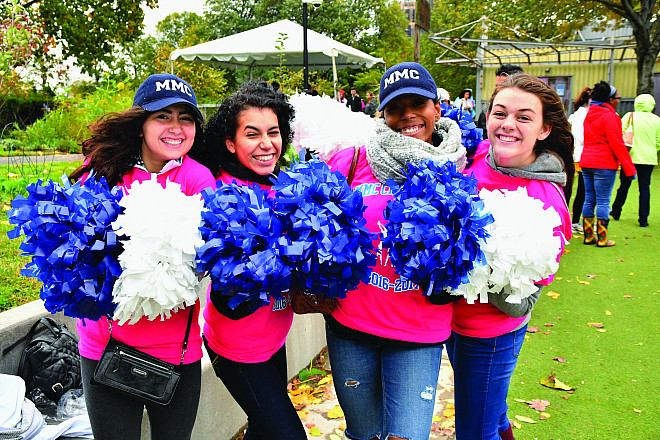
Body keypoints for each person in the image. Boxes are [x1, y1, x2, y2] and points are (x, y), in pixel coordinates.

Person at [69, 73, 216, 440]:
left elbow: (205, 260)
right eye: (162, 116)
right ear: (141, 124)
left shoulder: (199, 179)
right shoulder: (103, 171)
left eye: (186, 118)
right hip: (105, 346)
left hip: (176, 349)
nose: (176, 127)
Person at [325, 62, 466, 440]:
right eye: (394, 107)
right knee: (364, 434)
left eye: (416, 103)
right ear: (382, 114)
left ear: (436, 107)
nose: (406, 115)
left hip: (418, 332)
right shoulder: (353, 160)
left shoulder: (460, 167)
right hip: (351, 327)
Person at [449, 73, 573, 440]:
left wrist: (471, 267)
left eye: (523, 117)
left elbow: (522, 302)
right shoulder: (481, 157)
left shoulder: (546, 203)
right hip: (453, 324)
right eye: (499, 113)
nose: (507, 124)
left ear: (545, 129)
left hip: (488, 335)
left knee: (475, 431)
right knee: (491, 412)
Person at [199, 81, 306, 440]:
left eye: (273, 132)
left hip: (273, 339)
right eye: (252, 134)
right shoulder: (218, 192)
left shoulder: (281, 184)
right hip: (237, 348)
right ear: (230, 143)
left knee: (263, 431)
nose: (266, 144)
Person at [580, 80, 636, 246]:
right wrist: (629, 169)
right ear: (610, 100)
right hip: (605, 164)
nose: (619, 100)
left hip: (587, 161)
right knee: (603, 201)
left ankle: (589, 236)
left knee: (589, 200)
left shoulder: (589, 115)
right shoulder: (611, 117)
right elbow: (617, 144)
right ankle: (602, 239)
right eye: (618, 98)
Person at [610, 93, 660, 227]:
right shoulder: (657, 120)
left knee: (624, 186)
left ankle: (616, 211)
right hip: (648, 158)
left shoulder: (629, 116)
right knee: (644, 188)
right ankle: (643, 219)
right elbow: (658, 140)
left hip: (629, 157)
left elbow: (620, 133)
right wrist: (652, 150)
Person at [568, 86, 592, 234]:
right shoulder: (580, 115)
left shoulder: (584, 114)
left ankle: (579, 221)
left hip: (585, 155)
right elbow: (580, 137)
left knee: (586, 191)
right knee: (583, 190)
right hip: (582, 156)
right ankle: (575, 221)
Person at [477, 64, 524, 132]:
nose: (498, 90)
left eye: (503, 86)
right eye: (497, 86)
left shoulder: (531, 114)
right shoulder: (486, 113)